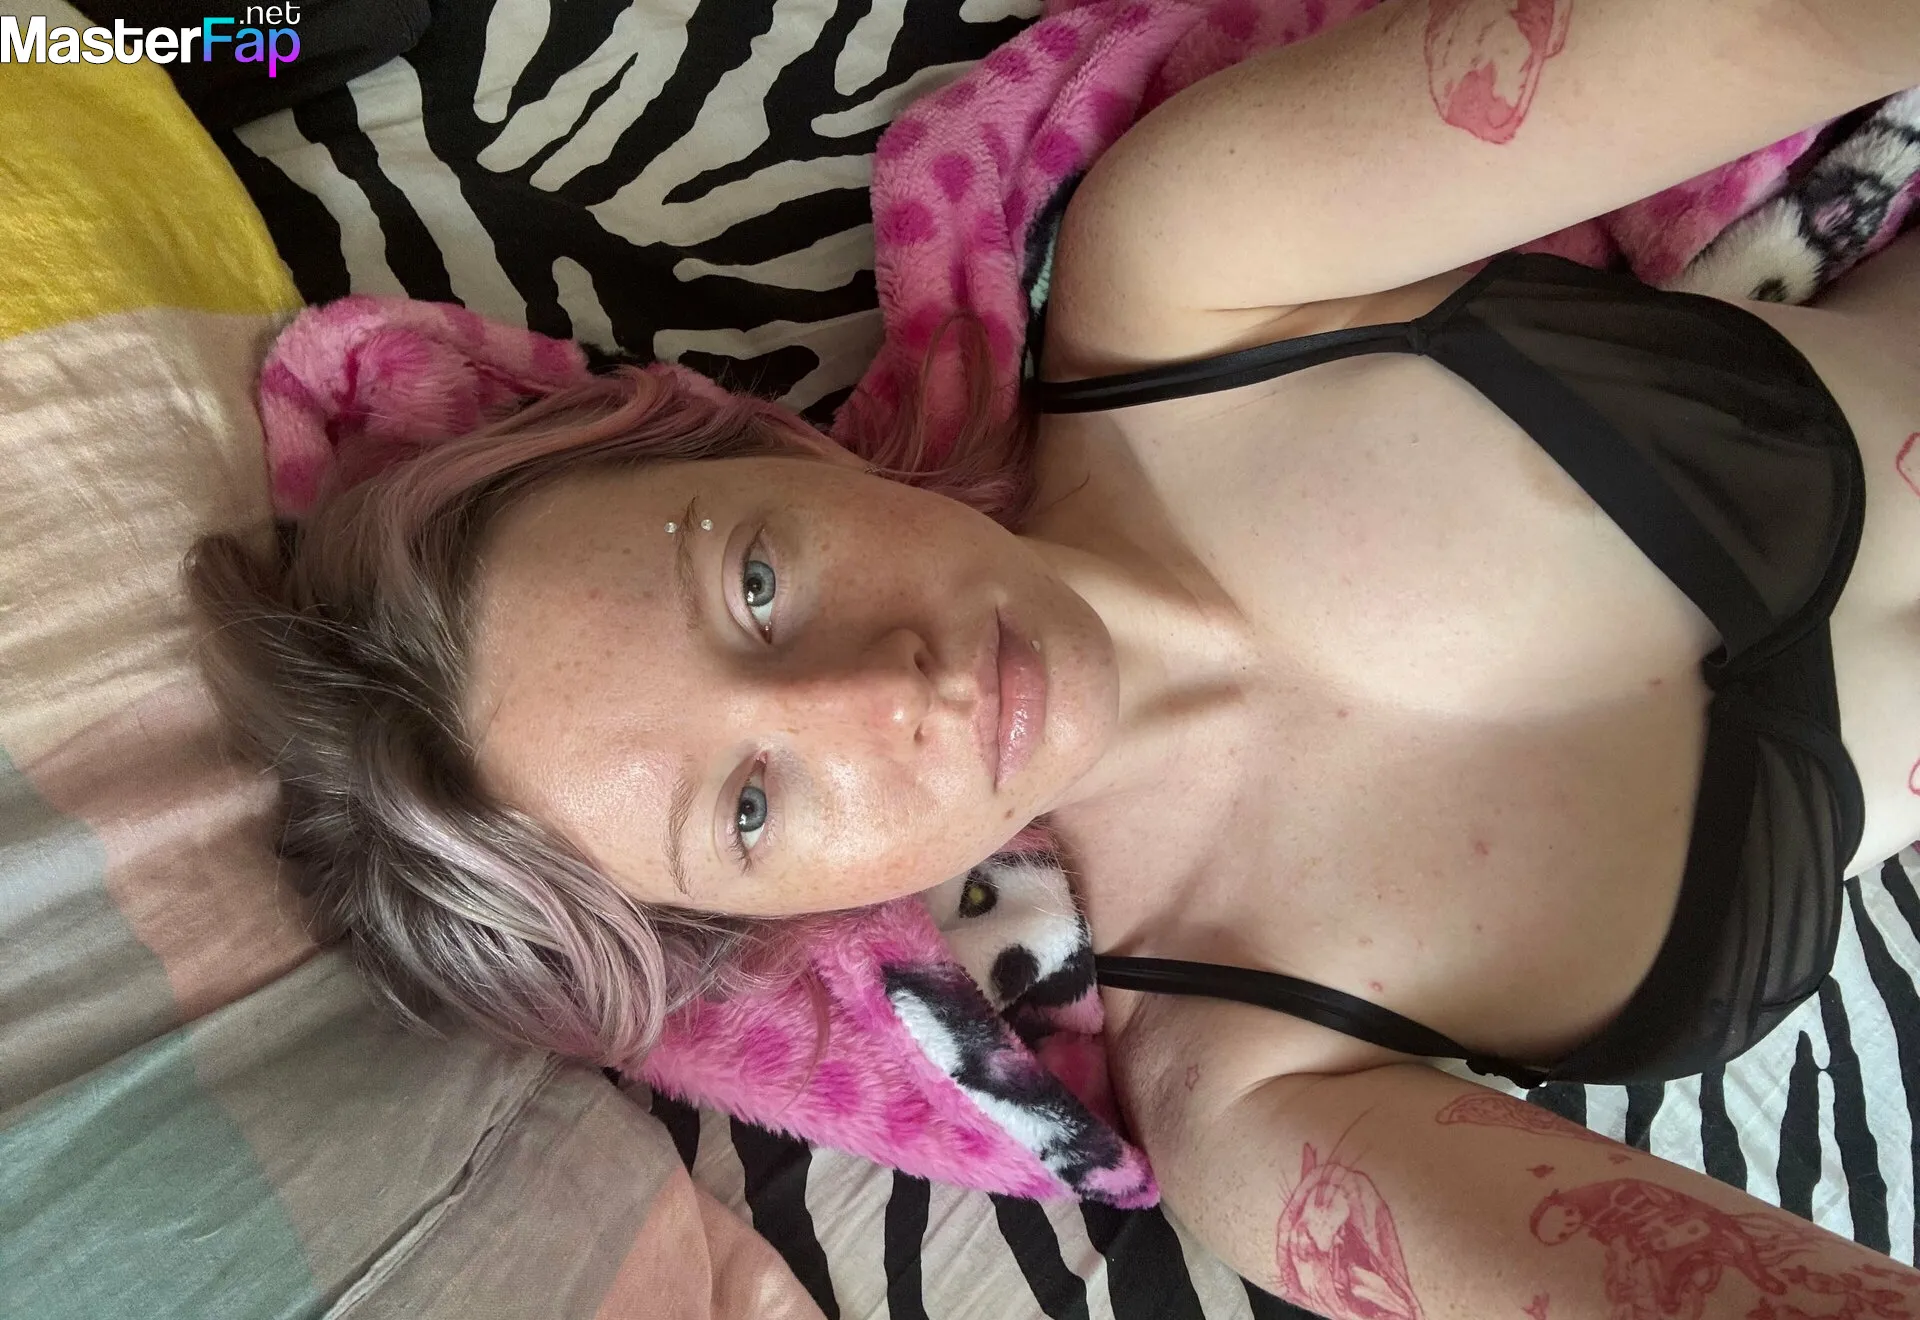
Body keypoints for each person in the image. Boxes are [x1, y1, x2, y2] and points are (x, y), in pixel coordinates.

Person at [189, 0, 1920, 1314]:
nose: (885, 695)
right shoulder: (1253, 1104)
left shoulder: (1197, 254)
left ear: (766, 445)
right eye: (752, 808)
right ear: (770, 929)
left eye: (758, 583)